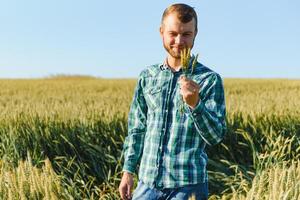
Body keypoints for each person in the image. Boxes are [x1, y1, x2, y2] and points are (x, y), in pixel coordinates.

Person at [119, 3, 226, 200]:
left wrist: (196, 104)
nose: (179, 40)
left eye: (186, 34)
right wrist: (128, 171)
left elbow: (216, 136)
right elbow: (137, 128)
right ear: (161, 32)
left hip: (188, 186)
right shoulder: (147, 76)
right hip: (147, 184)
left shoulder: (209, 80)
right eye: (173, 33)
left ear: (195, 34)